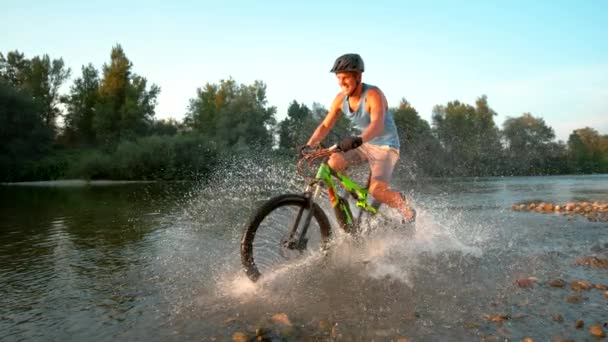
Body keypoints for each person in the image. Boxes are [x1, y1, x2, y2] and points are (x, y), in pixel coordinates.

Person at [304, 53, 416, 223]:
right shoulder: (340, 99)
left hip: (386, 146)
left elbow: (377, 125)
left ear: (358, 76)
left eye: (346, 78)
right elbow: (325, 125)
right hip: (364, 143)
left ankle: (407, 209)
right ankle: (344, 197)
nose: (341, 83)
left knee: (377, 191)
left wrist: (357, 140)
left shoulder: (373, 94)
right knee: (333, 163)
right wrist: (309, 145)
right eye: (338, 78)